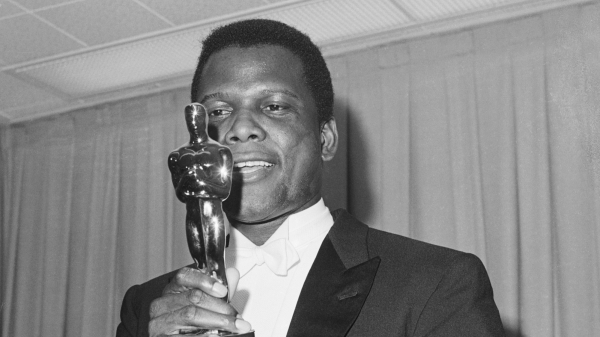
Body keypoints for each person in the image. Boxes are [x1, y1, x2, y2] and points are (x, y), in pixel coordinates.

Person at [116, 19, 505, 337]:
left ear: (326, 139)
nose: (240, 128)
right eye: (217, 112)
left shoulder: (434, 282)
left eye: (274, 106)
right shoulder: (146, 307)